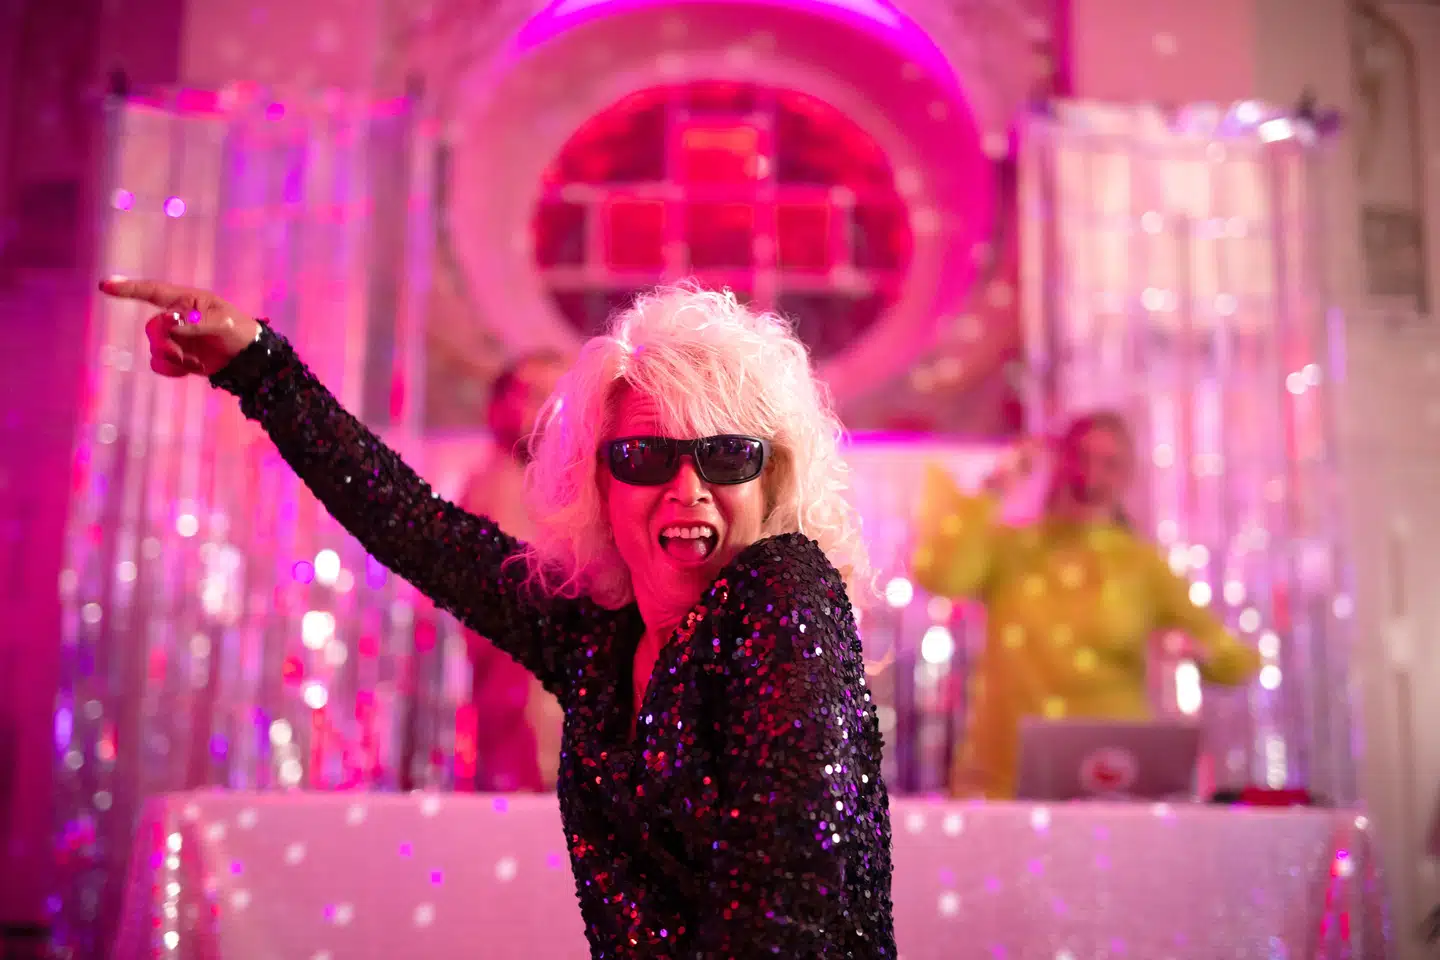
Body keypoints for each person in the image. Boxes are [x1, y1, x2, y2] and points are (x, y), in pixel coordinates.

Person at [103, 277, 896, 958]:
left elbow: (791, 903)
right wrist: (257, 364)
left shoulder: (784, 594)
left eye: (726, 455)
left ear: (770, 478)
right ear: (600, 487)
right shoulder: (597, 636)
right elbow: (416, 527)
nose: (687, 489)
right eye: (645, 457)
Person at [911, 411, 1260, 800]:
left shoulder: (1140, 564)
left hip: (1107, 784)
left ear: (1127, 476)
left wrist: (1198, 651)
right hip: (1006, 780)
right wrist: (994, 489)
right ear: (1060, 461)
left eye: (1109, 463)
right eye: (1081, 456)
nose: (1091, 473)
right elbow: (940, 577)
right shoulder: (1012, 548)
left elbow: (1238, 661)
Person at [459, 351, 568, 792]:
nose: (550, 411)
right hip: (519, 708)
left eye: (560, 397)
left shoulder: (566, 487)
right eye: (536, 395)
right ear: (502, 406)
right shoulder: (495, 488)